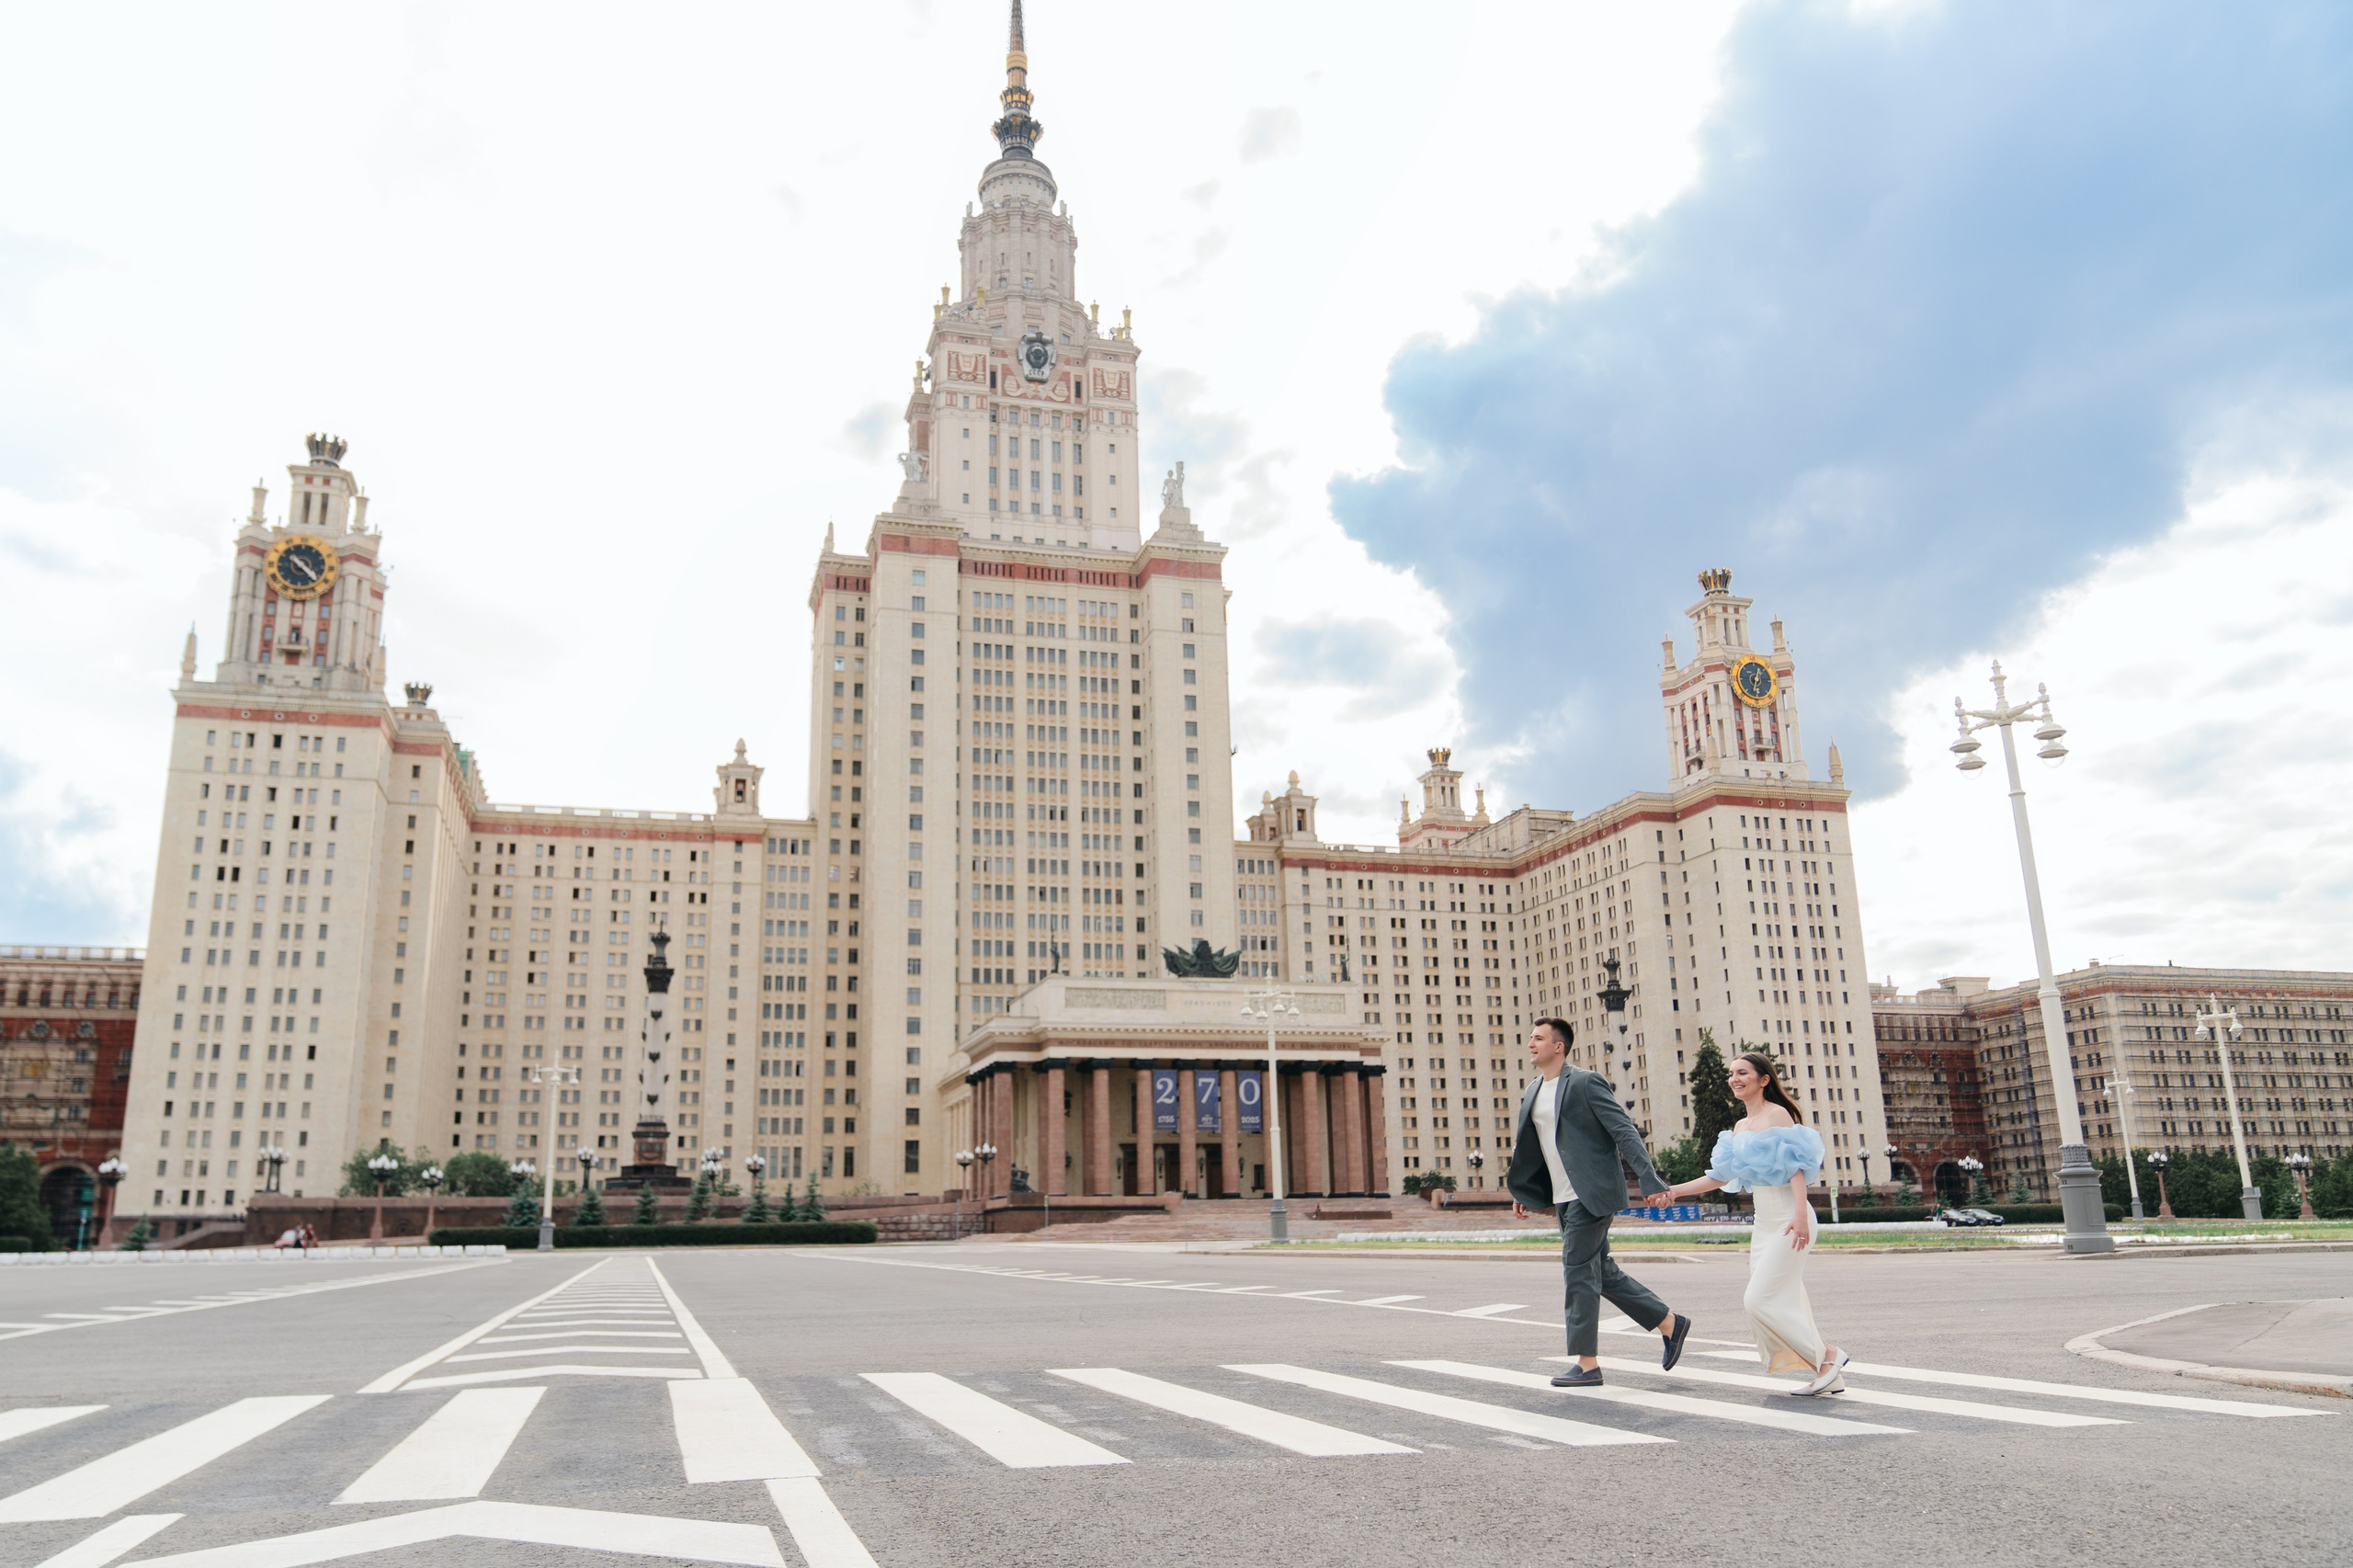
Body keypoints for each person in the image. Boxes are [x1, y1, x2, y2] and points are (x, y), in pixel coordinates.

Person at [1647, 1051, 1849, 1395]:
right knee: (1784, 1298)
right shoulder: (1739, 1127)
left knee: (1758, 1299)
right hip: (1764, 1222)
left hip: (1790, 1217)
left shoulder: (1778, 1115)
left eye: (1743, 1073)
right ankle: (1829, 1375)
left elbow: (1797, 1168)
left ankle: (1829, 1354)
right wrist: (1673, 1191)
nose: (1734, 1079)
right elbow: (1720, 1176)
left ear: (1763, 1079)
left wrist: (1801, 1215)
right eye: (1731, 1074)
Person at [1506, 1017, 1691, 1388]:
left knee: (1577, 1272)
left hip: (1590, 1194)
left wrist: (1650, 1178)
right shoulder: (1532, 1090)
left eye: (1538, 1038)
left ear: (1558, 1046)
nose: (1531, 1044)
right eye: (1530, 1038)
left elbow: (1622, 1129)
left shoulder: (1586, 1082)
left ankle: (1587, 1364)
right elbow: (1535, 1149)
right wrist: (1523, 1191)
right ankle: (1670, 1324)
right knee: (1601, 1273)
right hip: (1562, 1196)